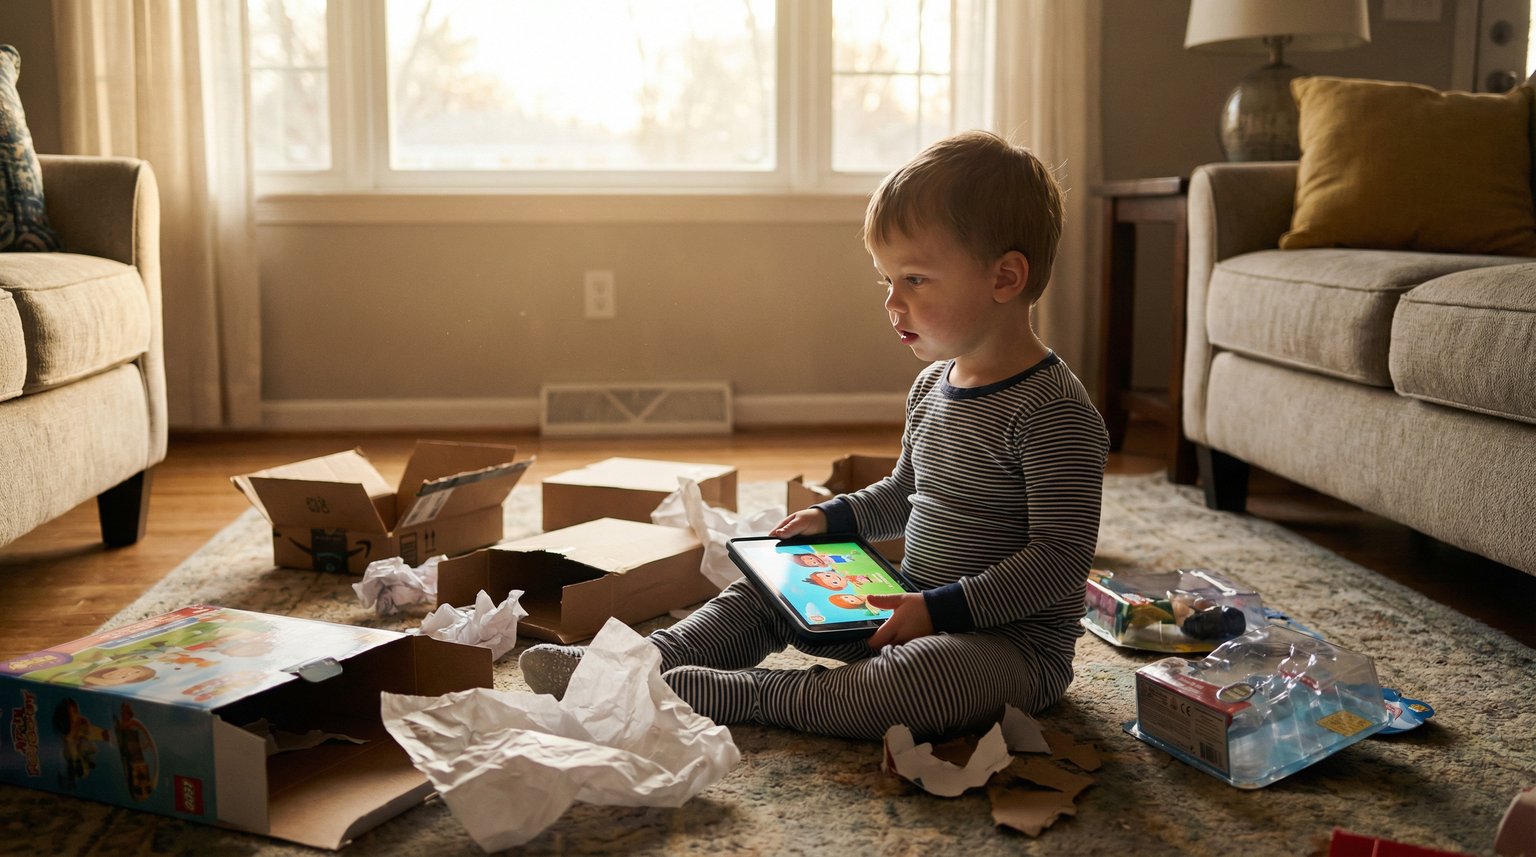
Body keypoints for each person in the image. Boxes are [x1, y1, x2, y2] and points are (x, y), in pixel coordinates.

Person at [520, 130, 1108, 740]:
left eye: (914, 280)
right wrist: (836, 519)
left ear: (1005, 278)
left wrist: (940, 611)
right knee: (762, 592)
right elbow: (907, 490)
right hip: (906, 605)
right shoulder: (933, 386)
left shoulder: (1053, 414)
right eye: (886, 281)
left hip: (1003, 649)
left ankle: (741, 695)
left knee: (918, 683)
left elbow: (1058, 564)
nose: (891, 302)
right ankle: (632, 665)